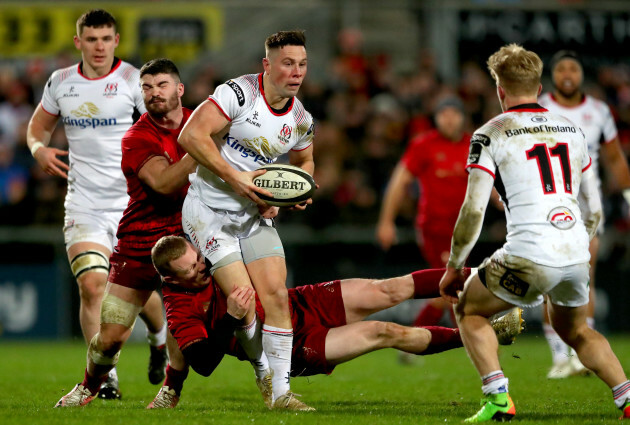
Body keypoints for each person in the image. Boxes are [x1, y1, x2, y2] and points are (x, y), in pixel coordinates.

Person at [439, 44, 630, 422]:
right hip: (575, 250)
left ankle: (497, 399)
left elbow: (473, 209)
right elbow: (590, 203)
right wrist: (578, 243)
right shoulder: (573, 130)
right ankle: (627, 398)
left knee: (468, 308)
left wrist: (455, 266)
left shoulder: (490, 133)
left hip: (528, 253)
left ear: (500, 90)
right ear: (540, 87)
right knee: (575, 331)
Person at [147, 235, 524, 409]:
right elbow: (205, 364)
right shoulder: (179, 306)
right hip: (291, 348)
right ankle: (485, 332)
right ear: (172, 279)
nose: (203, 269)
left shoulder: (211, 255)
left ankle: (491, 275)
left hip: (297, 303)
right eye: (192, 271)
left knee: (387, 290)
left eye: (199, 260)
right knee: (384, 332)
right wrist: (229, 319)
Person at [26, 9, 168, 399]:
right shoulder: (61, 82)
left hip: (132, 204)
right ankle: (106, 378)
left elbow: (166, 124)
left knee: (136, 293)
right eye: (91, 39)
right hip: (84, 204)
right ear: (79, 43)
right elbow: (38, 128)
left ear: (116, 41)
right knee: (93, 286)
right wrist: (38, 149)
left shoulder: (133, 81)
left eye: (106, 39)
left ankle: (158, 340)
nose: (99, 46)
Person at [177, 30, 315, 410]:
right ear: (267, 65)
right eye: (288, 63)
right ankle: (262, 371)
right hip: (209, 212)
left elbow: (305, 162)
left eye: (302, 64)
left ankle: (283, 393)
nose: (296, 72)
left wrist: (292, 194)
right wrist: (238, 179)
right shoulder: (237, 95)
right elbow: (190, 136)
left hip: (255, 215)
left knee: (276, 296)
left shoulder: (301, 118)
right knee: (246, 301)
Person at [54, 58, 197, 408]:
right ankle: (89, 386)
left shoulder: (202, 121)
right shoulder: (137, 136)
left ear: (179, 89)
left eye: (162, 85)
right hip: (140, 239)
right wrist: (204, 147)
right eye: (146, 88)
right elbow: (163, 184)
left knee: (190, 323)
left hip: (190, 238)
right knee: (111, 337)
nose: (153, 94)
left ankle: (172, 390)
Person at [538, 50, 630, 379]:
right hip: (547, 201)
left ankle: (580, 355)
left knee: (585, 275)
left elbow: (615, 158)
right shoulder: (540, 108)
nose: (567, 73)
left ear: (580, 75)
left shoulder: (599, 111)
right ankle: (559, 356)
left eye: (573, 68)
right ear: (552, 74)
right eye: (561, 67)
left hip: (588, 203)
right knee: (550, 276)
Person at [376, 97, 470, 339]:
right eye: (444, 114)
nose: (449, 119)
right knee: (451, 282)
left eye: (454, 113)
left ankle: (422, 339)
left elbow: (488, 183)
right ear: (436, 119)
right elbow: (399, 183)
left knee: (451, 286)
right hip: (434, 228)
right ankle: (430, 337)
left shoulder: (474, 145)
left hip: (465, 229)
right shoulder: (424, 145)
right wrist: (387, 221)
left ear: (463, 117)